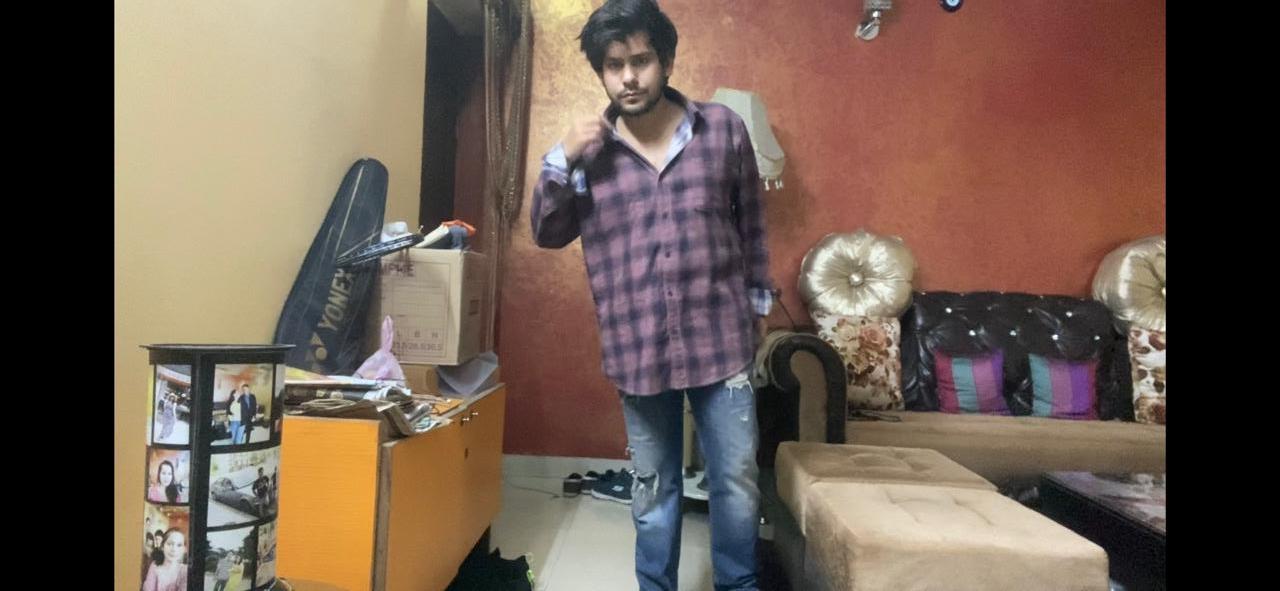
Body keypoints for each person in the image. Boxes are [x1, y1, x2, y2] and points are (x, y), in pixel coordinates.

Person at [529, 1, 772, 588]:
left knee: (736, 479)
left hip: (722, 337)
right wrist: (561, 158)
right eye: (614, 66)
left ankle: (739, 584)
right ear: (601, 73)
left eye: (640, 60)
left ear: (666, 62)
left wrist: (759, 302)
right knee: (654, 485)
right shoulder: (588, 153)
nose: (628, 77)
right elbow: (546, 231)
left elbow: (752, 222)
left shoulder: (723, 130)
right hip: (636, 344)